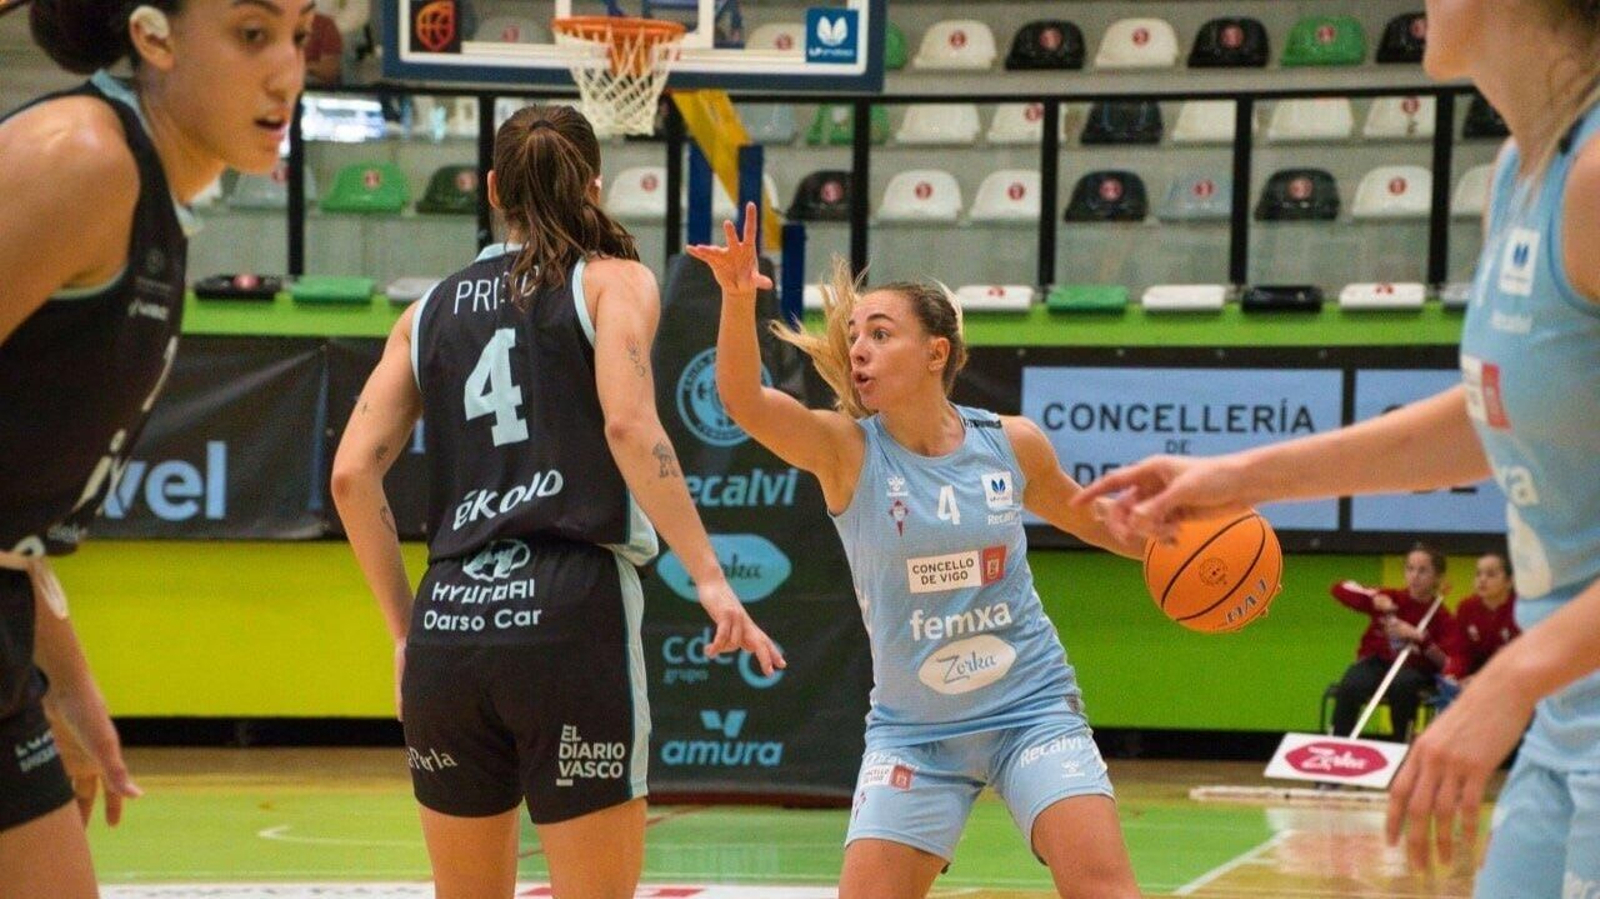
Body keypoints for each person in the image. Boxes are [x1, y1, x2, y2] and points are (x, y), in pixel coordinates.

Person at [1075, 1, 1600, 888]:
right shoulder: (1521, 171)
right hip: (1566, 712)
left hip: (1549, 688)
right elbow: (1494, 411)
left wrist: (1506, 684)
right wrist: (1237, 475)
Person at [330, 106, 783, 899]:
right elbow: (627, 422)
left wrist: (405, 630)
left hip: (449, 618)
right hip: (568, 609)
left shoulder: (425, 309)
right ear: (595, 185)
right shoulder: (615, 279)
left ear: (496, 188)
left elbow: (350, 476)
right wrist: (709, 577)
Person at [688, 210, 1145, 899]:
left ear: (937, 352)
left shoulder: (1010, 443)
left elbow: (1095, 519)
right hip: (914, 734)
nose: (859, 350)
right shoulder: (846, 451)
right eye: (854, 337)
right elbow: (744, 401)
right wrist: (735, 297)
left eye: (880, 333)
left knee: (1104, 888)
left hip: (1031, 710)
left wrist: (1182, 549)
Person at [0, 1, 309, 894]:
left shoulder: (148, 201)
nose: (287, 70)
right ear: (154, 36)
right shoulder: (82, 159)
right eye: (253, 35)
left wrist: (66, 681)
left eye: (299, 34)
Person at [1327, 544, 1458, 740]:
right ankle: (1339, 743)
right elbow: (1339, 588)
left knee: (1403, 685)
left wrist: (1420, 638)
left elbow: (1447, 662)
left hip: (1414, 670)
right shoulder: (1390, 598)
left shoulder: (1442, 617)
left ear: (1437, 577)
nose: (1414, 576)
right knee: (1353, 683)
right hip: (1376, 662)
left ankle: (1399, 746)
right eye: (1410, 569)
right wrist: (1373, 599)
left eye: (1423, 571)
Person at [1445, 551, 1519, 685]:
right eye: (1478, 574)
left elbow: (1517, 657)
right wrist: (1453, 675)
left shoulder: (1521, 610)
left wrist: (1482, 680)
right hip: (1475, 672)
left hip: (1511, 674)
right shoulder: (1466, 607)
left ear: (1509, 581)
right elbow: (1460, 651)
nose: (1482, 579)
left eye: (1490, 574)